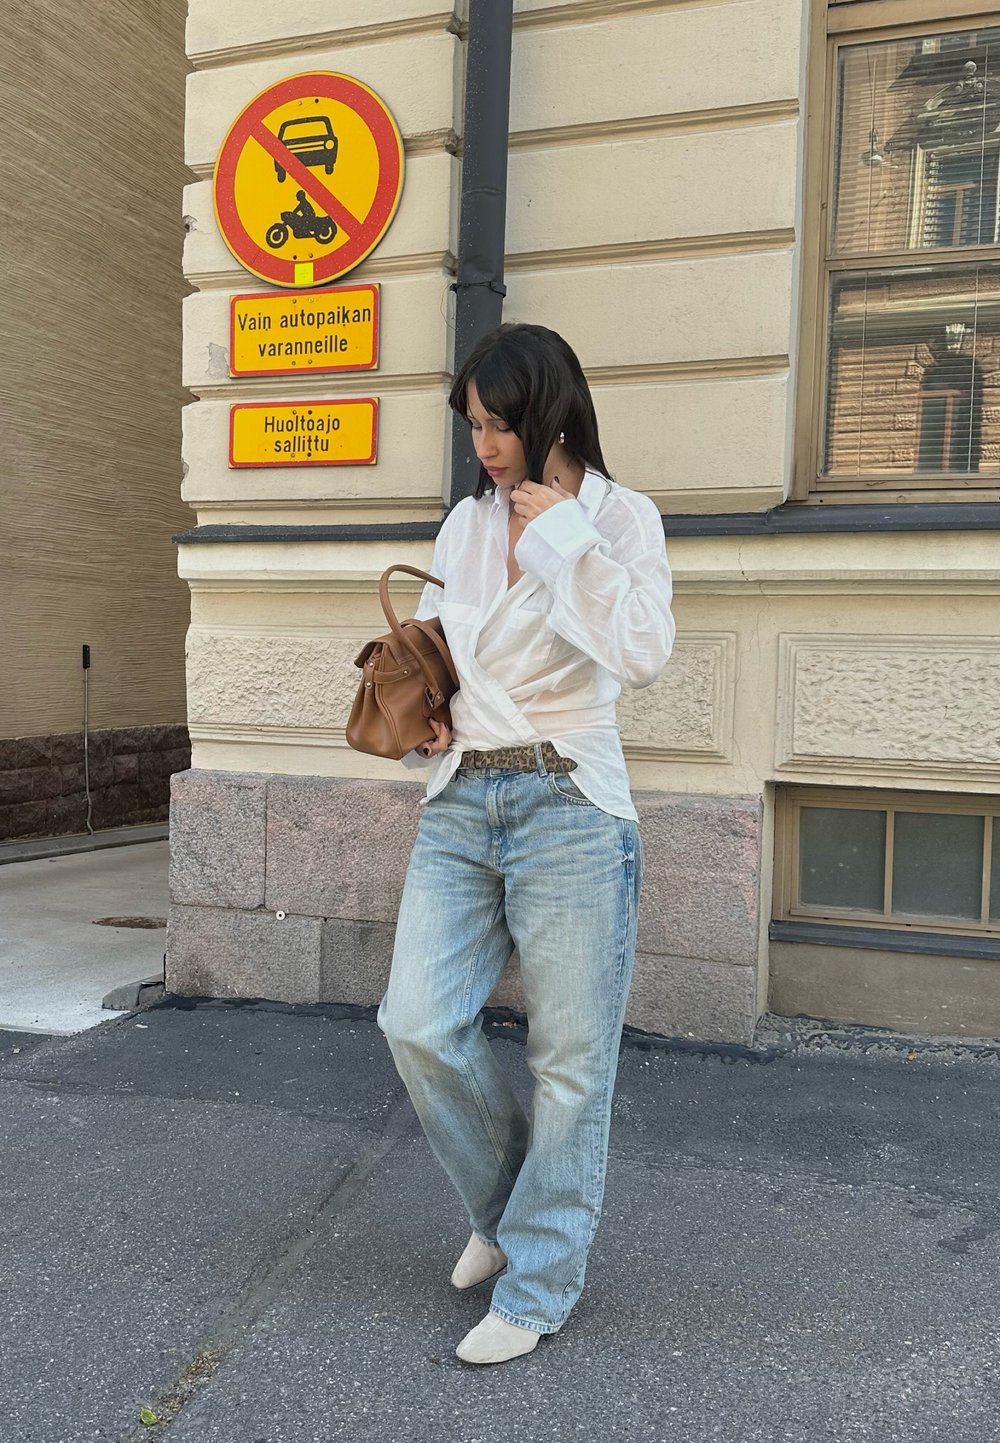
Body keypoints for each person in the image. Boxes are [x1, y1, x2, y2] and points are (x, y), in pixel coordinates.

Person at [377, 323, 675, 1365]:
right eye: (473, 427)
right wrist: (429, 713)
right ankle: (507, 1217)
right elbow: (439, 646)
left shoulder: (620, 518)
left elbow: (641, 651)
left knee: (569, 1063)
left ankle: (539, 1283)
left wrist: (565, 543)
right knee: (416, 1021)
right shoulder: (465, 524)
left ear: (550, 411)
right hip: (464, 796)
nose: (487, 447)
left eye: (501, 424)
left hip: (568, 799)